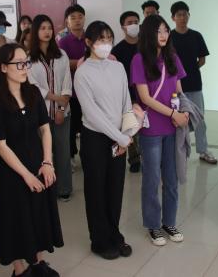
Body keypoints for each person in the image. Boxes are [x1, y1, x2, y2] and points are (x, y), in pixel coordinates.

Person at [0, 44, 63, 277]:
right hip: (12, 171)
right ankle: (20, 269)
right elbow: (0, 145)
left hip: (37, 163)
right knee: (16, 218)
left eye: (26, 62)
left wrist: (47, 162)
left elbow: (45, 129)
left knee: (38, 214)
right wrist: (26, 175)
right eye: (18, 64)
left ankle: (38, 261)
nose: (24, 68)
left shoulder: (33, 93)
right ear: (3, 67)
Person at [74, 21, 134, 260]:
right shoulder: (82, 73)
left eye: (109, 39)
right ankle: (99, 240)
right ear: (89, 42)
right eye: (101, 39)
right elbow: (92, 114)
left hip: (120, 136)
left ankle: (114, 233)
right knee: (96, 190)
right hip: (95, 139)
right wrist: (120, 137)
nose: (106, 44)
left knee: (115, 188)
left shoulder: (117, 67)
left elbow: (126, 100)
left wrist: (127, 131)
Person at [131, 14, 188, 246]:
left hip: (173, 129)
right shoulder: (139, 60)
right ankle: (153, 225)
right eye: (158, 31)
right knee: (152, 179)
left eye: (166, 30)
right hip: (152, 129)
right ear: (148, 33)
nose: (164, 35)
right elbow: (145, 98)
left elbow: (179, 91)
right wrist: (173, 114)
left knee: (171, 179)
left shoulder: (172, 57)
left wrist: (183, 112)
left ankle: (169, 222)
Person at [27, 15, 73, 202]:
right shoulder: (29, 59)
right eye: (42, 28)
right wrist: (56, 98)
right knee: (43, 153)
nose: (47, 32)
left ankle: (64, 188)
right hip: (40, 113)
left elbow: (67, 82)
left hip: (63, 112)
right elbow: (33, 86)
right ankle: (46, 187)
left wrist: (61, 107)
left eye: (49, 28)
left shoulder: (62, 55)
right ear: (35, 32)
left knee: (63, 151)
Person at [170, 1, 217, 165]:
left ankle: (203, 150)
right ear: (173, 18)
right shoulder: (169, 37)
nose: (183, 18)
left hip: (195, 84)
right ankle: (179, 152)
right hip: (175, 87)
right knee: (177, 120)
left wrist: (190, 70)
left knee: (199, 119)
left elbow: (202, 59)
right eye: (179, 15)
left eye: (185, 14)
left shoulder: (196, 36)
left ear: (189, 16)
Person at [111, 11, 142, 173]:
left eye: (136, 21)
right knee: (131, 126)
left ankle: (150, 156)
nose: (134, 25)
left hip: (147, 92)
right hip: (128, 93)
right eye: (130, 22)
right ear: (123, 27)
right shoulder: (117, 50)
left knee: (148, 127)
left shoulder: (146, 46)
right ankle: (134, 159)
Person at [58, 4, 87, 159]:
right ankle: (71, 156)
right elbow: (63, 64)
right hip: (72, 92)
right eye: (73, 18)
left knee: (88, 127)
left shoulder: (91, 39)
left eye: (80, 17)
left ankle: (86, 155)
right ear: (67, 22)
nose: (77, 20)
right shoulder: (63, 42)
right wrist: (84, 62)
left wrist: (77, 63)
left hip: (90, 92)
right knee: (71, 128)